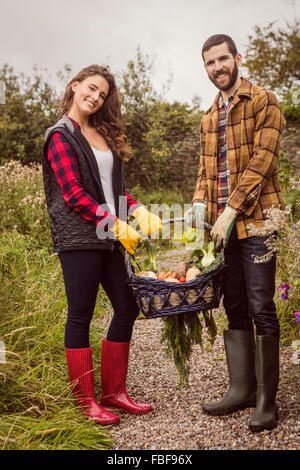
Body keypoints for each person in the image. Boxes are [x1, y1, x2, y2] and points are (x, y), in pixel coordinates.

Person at [42, 64, 162, 425]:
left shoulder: (102, 135)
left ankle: (115, 392)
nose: (95, 97)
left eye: (103, 94)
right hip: (80, 238)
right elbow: (75, 195)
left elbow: (114, 191)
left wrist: (137, 210)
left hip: (109, 235)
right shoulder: (60, 135)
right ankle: (86, 403)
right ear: (75, 85)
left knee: (127, 306)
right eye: (91, 89)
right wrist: (114, 223)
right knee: (81, 313)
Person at [185, 35, 286, 431]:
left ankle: (266, 401)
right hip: (221, 228)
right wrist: (198, 202)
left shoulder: (264, 100)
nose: (217, 68)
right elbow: (203, 171)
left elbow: (263, 162)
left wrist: (229, 211)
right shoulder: (208, 116)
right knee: (236, 305)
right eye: (210, 62)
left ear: (237, 58)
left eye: (223, 59)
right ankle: (240, 388)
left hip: (258, 220)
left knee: (262, 305)